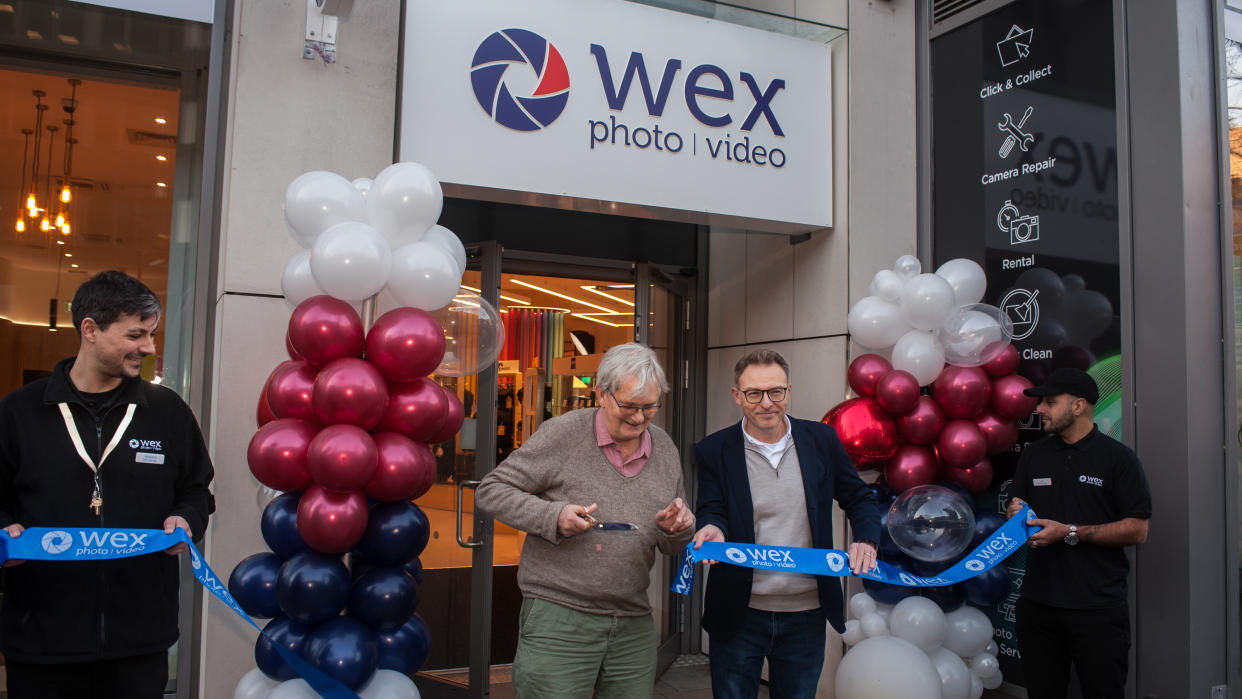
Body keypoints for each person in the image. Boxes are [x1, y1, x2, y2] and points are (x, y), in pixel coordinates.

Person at [0, 271, 216, 699]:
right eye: (136, 335)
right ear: (90, 330)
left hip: (139, 643)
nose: (149, 348)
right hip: (42, 640)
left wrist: (186, 518)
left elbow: (197, 490)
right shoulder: (20, 411)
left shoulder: (166, 411)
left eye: (151, 335)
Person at [475, 343, 695, 699]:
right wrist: (553, 515)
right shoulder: (563, 434)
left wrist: (679, 528)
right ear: (601, 394)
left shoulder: (665, 448)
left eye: (649, 407)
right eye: (628, 406)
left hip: (633, 619)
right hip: (559, 618)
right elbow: (491, 490)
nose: (639, 419)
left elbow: (671, 544)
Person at [693, 349, 881, 699]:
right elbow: (711, 509)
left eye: (775, 391)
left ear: (789, 391)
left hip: (806, 613)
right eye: (754, 393)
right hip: (739, 612)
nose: (766, 403)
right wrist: (712, 528)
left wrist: (866, 540)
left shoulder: (821, 441)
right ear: (737, 395)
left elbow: (859, 497)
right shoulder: (713, 450)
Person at [1005, 367, 1151, 699]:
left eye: (1049, 402)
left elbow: (1137, 529)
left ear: (1078, 406)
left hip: (1096, 610)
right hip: (1038, 606)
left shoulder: (1119, 460)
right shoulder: (1034, 455)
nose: (1039, 409)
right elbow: (1016, 504)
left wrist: (1069, 532)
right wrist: (1015, 511)